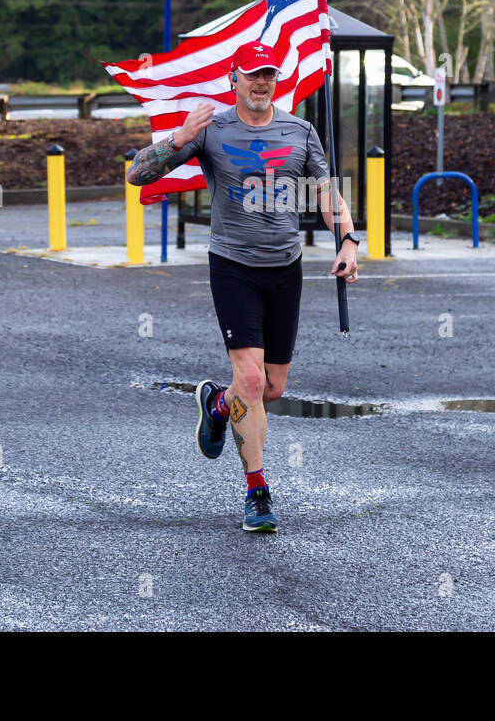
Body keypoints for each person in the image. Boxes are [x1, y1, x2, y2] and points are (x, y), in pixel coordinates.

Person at [126, 41, 359, 533]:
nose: (261, 82)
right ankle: (257, 492)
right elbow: (136, 174)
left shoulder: (300, 131)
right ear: (235, 77)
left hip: (285, 270)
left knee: (271, 388)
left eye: (268, 75)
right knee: (250, 383)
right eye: (252, 74)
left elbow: (326, 193)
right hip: (232, 267)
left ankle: (215, 403)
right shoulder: (212, 130)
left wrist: (348, 242)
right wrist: (178, 138)